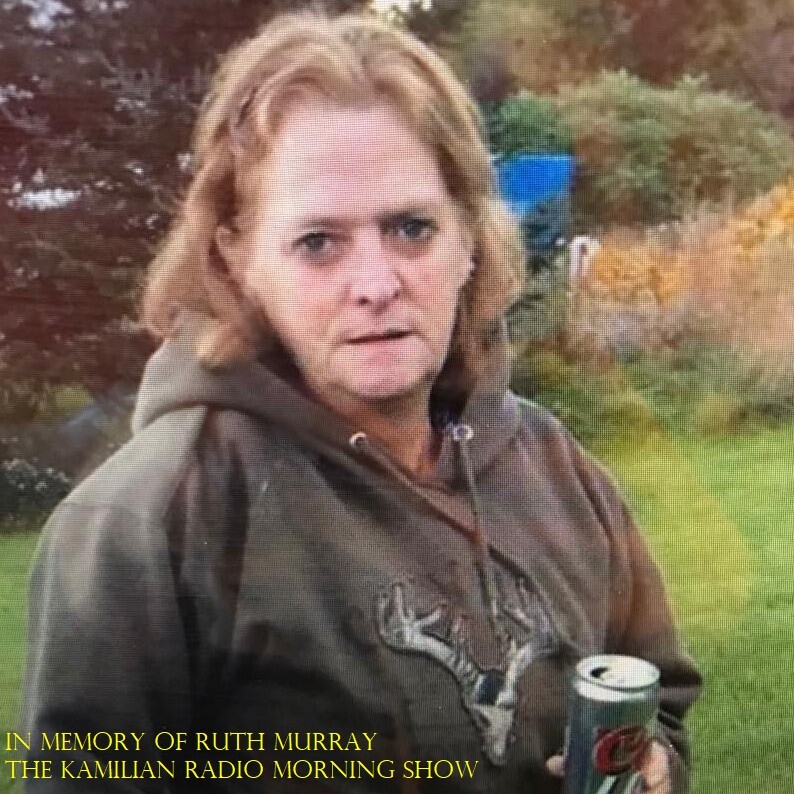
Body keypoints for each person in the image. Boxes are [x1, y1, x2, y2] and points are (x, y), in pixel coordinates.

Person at [20, 10, 701, 793]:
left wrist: (654, 767)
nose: (376, 284)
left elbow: (658, 700)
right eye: (319, 243)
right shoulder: (149, 523)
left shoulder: (558, 471)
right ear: (237, 258)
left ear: (469, 235)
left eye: (411, 228)